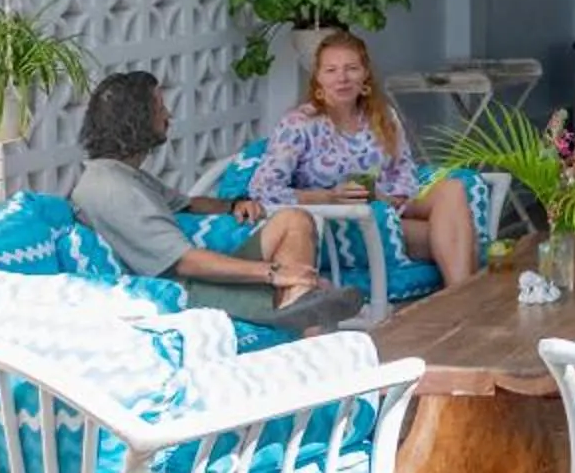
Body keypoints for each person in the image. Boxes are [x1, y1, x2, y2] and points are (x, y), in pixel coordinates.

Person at [69, 70, 365, 334]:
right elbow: (186, 262)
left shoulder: (124, 175)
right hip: (181, 294)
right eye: (159, 107)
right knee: (293, 282)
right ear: (135, 118)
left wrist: (234, 204)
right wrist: (274, 273)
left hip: (192, 278)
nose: (168, 115)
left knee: (294, 220)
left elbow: (187, 204)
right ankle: (305, 321)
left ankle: (298, 302)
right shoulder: (111, 190)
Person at [247, 31, 482, 287]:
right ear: (318, 78)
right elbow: (263, 189)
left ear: (365, 74)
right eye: (331, 70)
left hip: (385, 208)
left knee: (453, 189)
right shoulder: (299, 124)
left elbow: (403, 168)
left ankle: (461, 302)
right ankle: (464, 301)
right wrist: (326, 197)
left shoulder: (382, 116)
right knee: (455, 238)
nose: (342, 78)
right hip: (340, 224)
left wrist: (389, 199)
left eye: (351, 68)